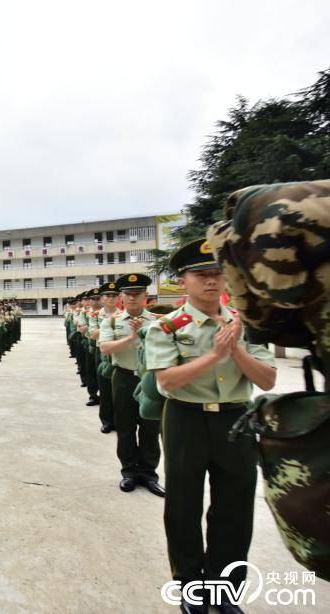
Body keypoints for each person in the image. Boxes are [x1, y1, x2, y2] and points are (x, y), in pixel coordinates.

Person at [145, 238, 276, 614]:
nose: (211, 282)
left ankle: (224, 589)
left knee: (234, 506)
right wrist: (215, 355)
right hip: (186, 418)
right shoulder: (168, 326)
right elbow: (166, 382)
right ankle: (189, 585)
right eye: (201, 275)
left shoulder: (243, 326)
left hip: (235, 419)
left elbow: (266, 380)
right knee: (184, 503)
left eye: (218, 274)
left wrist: (235, 349)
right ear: (183, 281)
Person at [99, 275, 164, 497]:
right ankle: (128, 472)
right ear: (121, 298)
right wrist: (132, 337)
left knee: (150, 427)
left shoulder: (158, 320)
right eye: (128, 293)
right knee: (125, 426)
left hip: (150, 379)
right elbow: (105, 348)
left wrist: (146, 334)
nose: (132, 297)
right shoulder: (112, 321)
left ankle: (148, 473)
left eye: (137, 293)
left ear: (146, 296)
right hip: (124, 377)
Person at [92, 282, 119, 434]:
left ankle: (119, 419)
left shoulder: (125, 314)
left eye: (114, 295)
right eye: (108, 295)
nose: (111, 298)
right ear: (102, 299)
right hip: (102, 354)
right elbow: (92, 334)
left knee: (120, 391)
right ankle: (107, 421)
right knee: (106, 389)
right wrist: (109, 325)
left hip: (121, 353)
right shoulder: (96, 315)